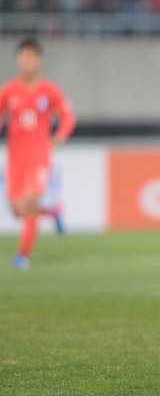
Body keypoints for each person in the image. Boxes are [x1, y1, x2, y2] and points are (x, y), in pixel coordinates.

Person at [0, 38, 76, 270]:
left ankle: (22, 255)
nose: (27, 61)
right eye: (23, 56)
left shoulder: (50, 90)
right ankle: (53, 211)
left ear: (39, 60)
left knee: (30, 202)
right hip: (15, 158)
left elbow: (67, 116)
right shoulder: (8, 91)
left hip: (39, 156)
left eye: (31, 57)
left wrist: (61, 134)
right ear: (17, 60)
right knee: (17, 210)